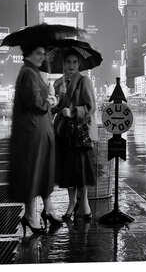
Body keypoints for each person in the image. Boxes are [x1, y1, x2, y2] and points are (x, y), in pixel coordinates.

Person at [9, 45, 62, 236]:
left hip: (38, 131)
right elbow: (35, 103)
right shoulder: (29, 73)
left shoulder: (32, 72)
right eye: (38, 53)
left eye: (43, 52)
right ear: (28, 54)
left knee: (42, 170)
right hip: (32, 133)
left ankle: (46, 209)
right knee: (33, 172)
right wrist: (50, 99)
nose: (42, 56)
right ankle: (31, 216)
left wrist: (49, 99)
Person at [53, 50, 97, 221]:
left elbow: (91, 107)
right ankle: (71, 205)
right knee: (67, 172)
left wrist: (72, 111)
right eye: (68, 62)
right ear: (63, 64)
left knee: (81, 171)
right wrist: (52, 106)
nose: (71, 66)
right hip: (64, 133)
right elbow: (57, 106)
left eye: (74, 62)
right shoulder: (59, 83)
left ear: (78, 65)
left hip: (79, 134)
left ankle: (84, 204)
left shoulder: (84, 81)